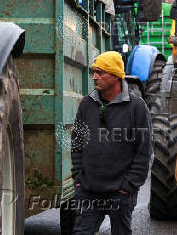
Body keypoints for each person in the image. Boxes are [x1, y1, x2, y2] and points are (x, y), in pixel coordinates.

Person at [71, 51, 152, 235]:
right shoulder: (86, 104)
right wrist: (78, 179)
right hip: (88, 191)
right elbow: (77, 143)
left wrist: (128, 186)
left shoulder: (136, 107)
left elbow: (144, 151)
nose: (94, 77)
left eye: (100, 72)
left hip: (120, 192)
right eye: (94, 71)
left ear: (115, 76)